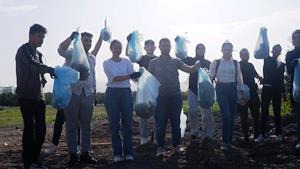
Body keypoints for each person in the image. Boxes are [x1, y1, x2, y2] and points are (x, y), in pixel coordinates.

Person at [148, 38, 201, 157]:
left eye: (168, 45)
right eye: (163, 45)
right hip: (160, 98)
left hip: (175, 97)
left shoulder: (176, 61)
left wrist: (195, 66)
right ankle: (160, 148)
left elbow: (189, 69)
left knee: (176, 123)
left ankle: (176, 146)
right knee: (160, 123)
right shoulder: (153, 63)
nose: (166, 47)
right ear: (159, 47)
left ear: (170, 47)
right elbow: (148, 80)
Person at [58, 31, 102, 167]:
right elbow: (60, 49)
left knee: (86, 125)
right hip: (72, 93)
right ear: (80, 41)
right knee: (71, 125)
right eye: (85, 40)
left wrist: (94, 94)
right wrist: (71, 37)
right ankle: (72, 154)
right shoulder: (72, 53)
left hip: (88, 94)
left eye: (90, 41)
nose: (88, 43)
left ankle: (85, 153)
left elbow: (93, 77)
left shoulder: (92, 58)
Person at [15, 24, 56, 169]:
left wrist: (45, 77)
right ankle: (28, 162)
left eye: (43, 37)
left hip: (40, 96)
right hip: (26, 95)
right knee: (29, 128)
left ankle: (35, 159)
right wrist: (48, 69)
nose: (41, 40)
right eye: (39, 36)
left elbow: (39, 73)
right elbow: (33, 66)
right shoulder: (23, 50)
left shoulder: (39, 54)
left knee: (41, 129)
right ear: (31, 35)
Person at [103, 40, 141, 162]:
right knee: (114, 125)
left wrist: (140, 75)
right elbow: (114, 78)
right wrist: (131, 76)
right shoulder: (106, 63)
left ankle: (129, 152)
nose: (118, 50)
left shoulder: (127, 61)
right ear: (111, 49)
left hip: (126, 92)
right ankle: (117, 153)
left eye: (119, 48)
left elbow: (133, 77)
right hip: (112, 93)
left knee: (127, 124)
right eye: (115, 48)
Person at [209, 41, 244, 150]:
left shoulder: (235, 63)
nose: (227, 51)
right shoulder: (216, 62)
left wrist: (242, 91)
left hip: (233, 89)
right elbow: (210, 76)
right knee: (227, 115)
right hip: (221, 89)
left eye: (229, 49)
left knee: (232, 117)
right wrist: (206, 86)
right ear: (222, 50)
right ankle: (224, 142)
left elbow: (239, 77)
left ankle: (229, 141)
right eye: (225, 49)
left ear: (231, 51)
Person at [182, 43, 215, 141]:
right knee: (192, 111)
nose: (201, 50)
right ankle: (194, 131)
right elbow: (181, 59)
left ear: (205, 50)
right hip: (192, 89)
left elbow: (211, 76)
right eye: (199, 48)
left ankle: (208, 134)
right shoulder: (191, 60)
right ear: (196, 50)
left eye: (202, 48)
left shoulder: (208, 63)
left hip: (205, 92)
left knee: (207, 113)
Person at [255, 44, 286, 143]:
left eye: (279, 50)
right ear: (272, 51)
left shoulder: (282, 64)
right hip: (267, 88)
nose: (277, 51)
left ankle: (279, 134)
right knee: (264, 111)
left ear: (280, 52)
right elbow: (262, 49)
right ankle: (262, 134)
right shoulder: (267, 59)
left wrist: (284, 92)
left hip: (277, 90)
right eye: (275, 49)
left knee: (277, 112)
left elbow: (281, 79)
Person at [134, 39, 158, 145]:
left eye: (152, 46)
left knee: (156, 113)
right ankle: (143, 137)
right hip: (143, 89)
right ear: (145, 48)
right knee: (143, 113)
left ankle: (156, 136)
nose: (150, 47)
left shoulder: (158, 59)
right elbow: (130, 55)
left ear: (155, 47)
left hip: (154, 89)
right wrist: (131, 41)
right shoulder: (141, 58)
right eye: (148, 46)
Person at [238, 48, 262, 141]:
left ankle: (256, 135)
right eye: (243, 54)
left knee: (256, 114)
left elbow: (256, 75)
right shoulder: (238, 65)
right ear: (240, 55)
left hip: (253, 92)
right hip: (242, 93)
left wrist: (261, 78)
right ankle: (246, 136)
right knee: (244, 116)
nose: (245, 56)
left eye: (247, 54)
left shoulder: (250, 65)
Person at [286, 30, 300, 150]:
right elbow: (289, 71)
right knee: (299, 116)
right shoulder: (290, 54)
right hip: (296, 91)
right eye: (294, 37)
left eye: (298, 37)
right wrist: (293, 63)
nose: (297, 39)